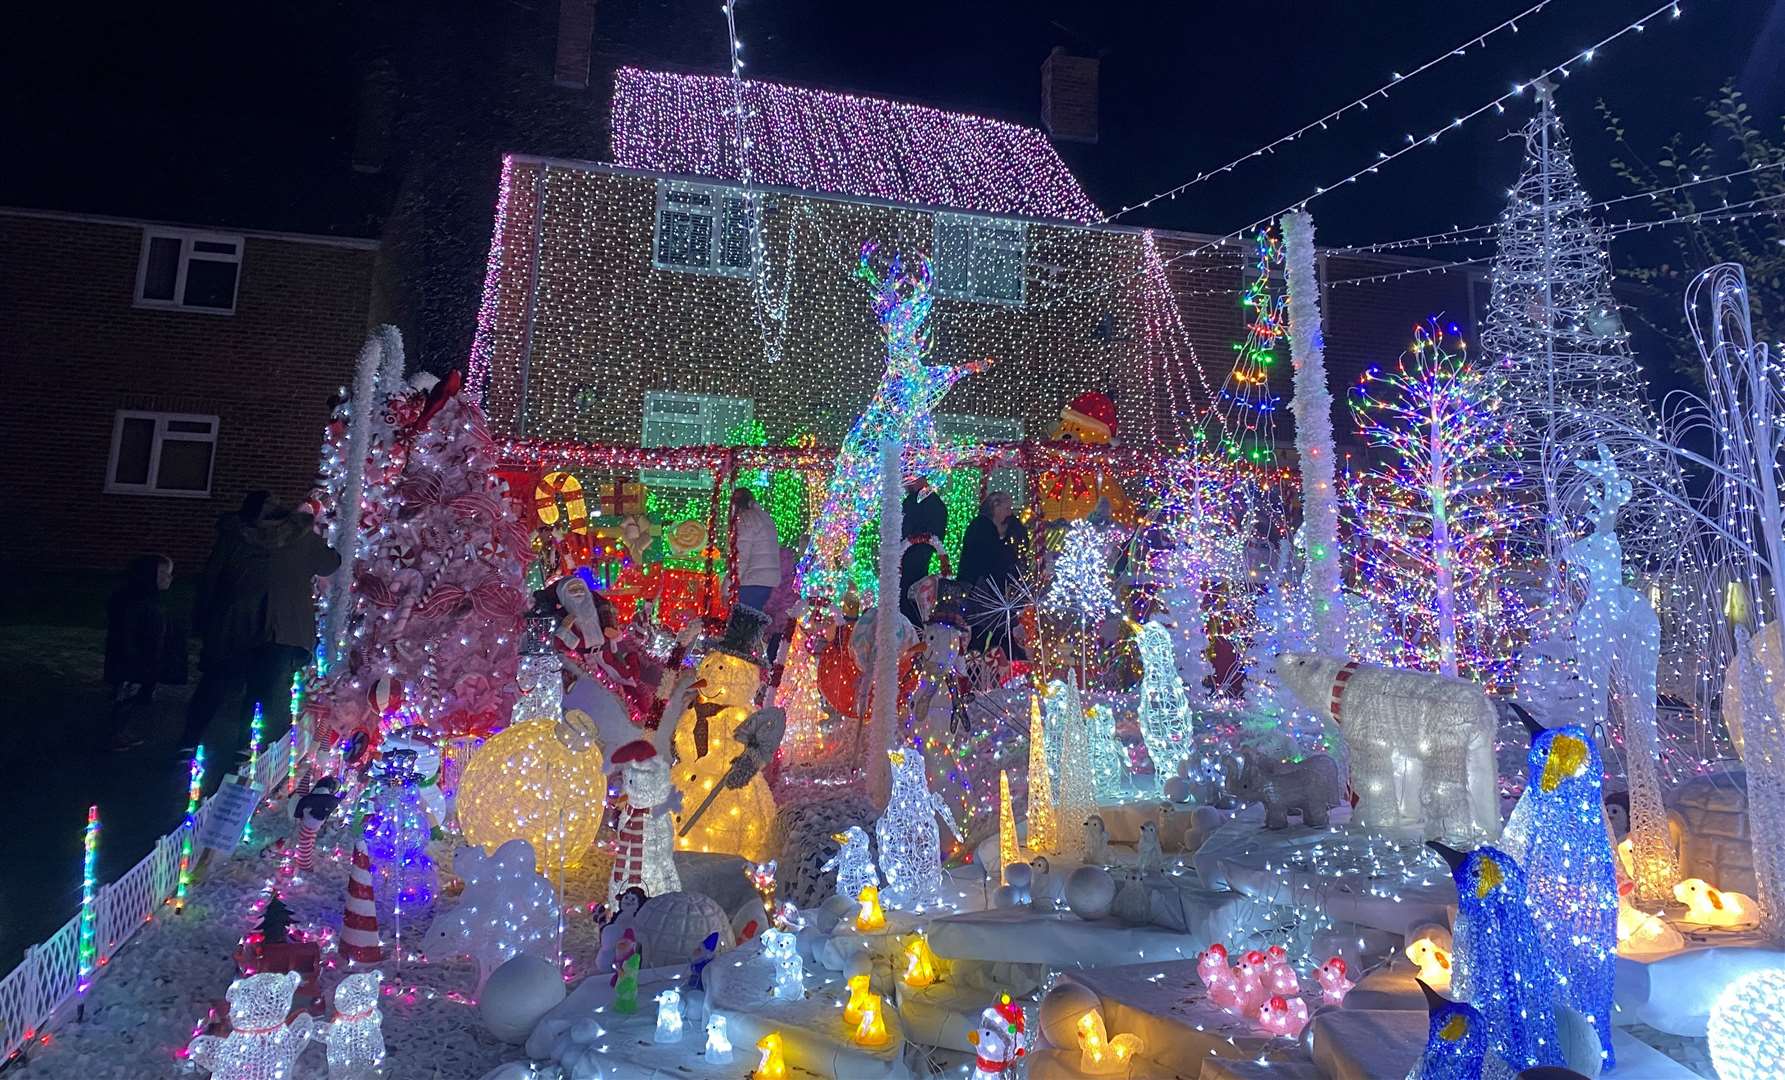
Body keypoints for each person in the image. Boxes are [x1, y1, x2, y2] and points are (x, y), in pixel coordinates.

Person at [181, 493, 341, 767]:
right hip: (283, 626)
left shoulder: (234, 536)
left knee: (216, 683)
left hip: (234, 622)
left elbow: (211, 579)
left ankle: (189, 742)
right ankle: (245, 746)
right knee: (263, 688)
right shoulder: (300, 536)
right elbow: (330, 562)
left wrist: (203, 620)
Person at [103, 553, 182, 750]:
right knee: (126, 696)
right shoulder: (138, 604)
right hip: (133, 660)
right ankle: (115, 733)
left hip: (141, 659)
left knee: (133, 697)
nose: (169, 579)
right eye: (164, 574)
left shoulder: (148, 601)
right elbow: (132, 633)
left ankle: (121, 730)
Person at [956, 492, 1030, 658]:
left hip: (981, 589)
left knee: (992, 632)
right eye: (1006, 508)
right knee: (986, 631)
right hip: (981, 590)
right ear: (995, 507)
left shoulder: (982, 527)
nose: (1009, 512)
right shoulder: (984, 528)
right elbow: (992, 560)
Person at [725, 488, 781, 656]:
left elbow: (740, 557)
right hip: (766, 580)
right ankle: (754, 662)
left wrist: (728, 586)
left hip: (752, 580)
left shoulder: (746, 520)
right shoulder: (763, 517)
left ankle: (741, 667)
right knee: (753, 626)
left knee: (742, 631)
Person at [899, 477, 948, 627]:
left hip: (912, 558)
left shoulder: (920, 502)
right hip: (913, 558)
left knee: (909, 599)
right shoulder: (932, 503)